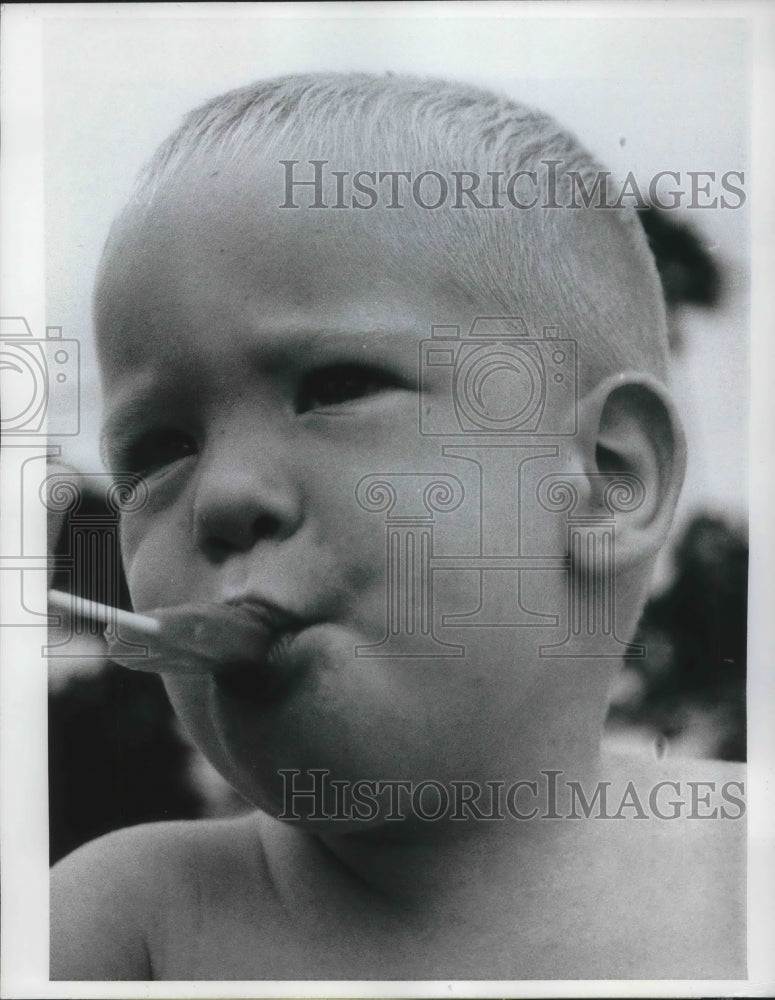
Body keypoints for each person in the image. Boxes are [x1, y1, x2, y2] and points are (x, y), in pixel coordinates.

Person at [50, 73, 745, 981]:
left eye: (333, 388)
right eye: (157, 451)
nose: (221, 497)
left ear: (607, 480)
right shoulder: (126, 928)